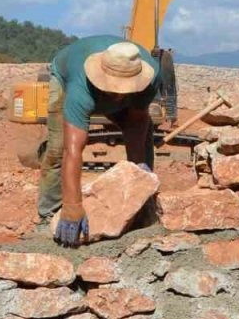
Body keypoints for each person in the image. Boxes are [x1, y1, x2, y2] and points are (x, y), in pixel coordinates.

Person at [39, 36, 159, 248]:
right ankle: (48, 214)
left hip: (129, 94)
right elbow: (73, 150)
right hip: (66, 76)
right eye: (114, 88)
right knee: (57, 149)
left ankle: (145, 207)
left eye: (123, 89)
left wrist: (138, 173)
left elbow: (137, 121)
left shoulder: (151, 77)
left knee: (145, 139)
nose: (118, 95)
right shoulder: (79, 87)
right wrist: (72, 205)